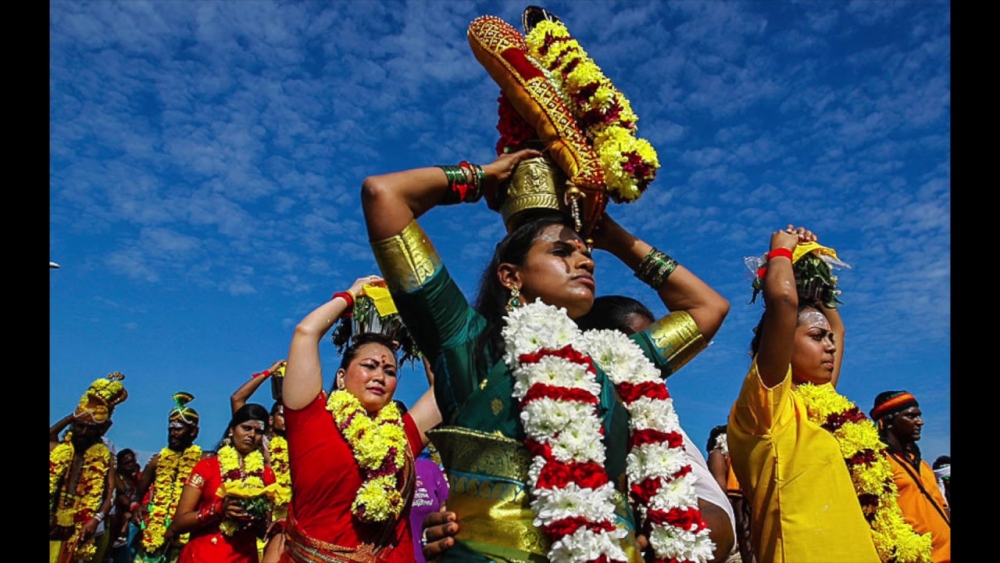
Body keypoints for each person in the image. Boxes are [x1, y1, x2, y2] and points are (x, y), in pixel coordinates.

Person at [361, 152, 729, 562]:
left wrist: (612, 237)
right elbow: (384, 195)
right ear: (511, 276)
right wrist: (481, 179)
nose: (585, 259)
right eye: (561, 252)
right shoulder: (467, 343)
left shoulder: (618, 361)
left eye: (585, 252)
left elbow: (707, 309)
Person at [728, 226, 931, 563]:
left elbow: (839, 328)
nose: (830, 345)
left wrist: (814, 267)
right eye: (816, 336)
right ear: (779, 344)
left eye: (829, 339)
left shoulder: (823, 405)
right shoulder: (768, 408)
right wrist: (781, 251)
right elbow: (782, 301)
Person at [279, 275, 442, 562]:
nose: (380, 376)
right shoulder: (309, 418)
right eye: (369, 366)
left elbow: (444, 388)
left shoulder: (402, 434)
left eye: (390, 372)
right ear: (341, 377)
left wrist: (417, 320)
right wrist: (351, 295)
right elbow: (306, 332)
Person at [168, 403, 276, 563]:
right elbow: (178, 523)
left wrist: (254, 516)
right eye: (246, 428)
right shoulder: (206, 467)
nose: (252, 435)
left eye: (259, 431)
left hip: (243, 558)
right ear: (232, 430)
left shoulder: (266, 475)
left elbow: (263, 531)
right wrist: (218, 509)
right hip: (201, 557)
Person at [50, 372, 128, 563]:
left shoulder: (103, 456)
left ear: (100, 431)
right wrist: (75, 415)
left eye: (90, 428)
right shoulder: (60, 449)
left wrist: (95, 519)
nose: (84, 432)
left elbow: (111, 495)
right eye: (79, 427)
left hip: (81, 526)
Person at [871, 391, 951, 562]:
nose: (920, 422)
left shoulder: (922, 465)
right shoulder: (877, 463)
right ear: (889, 422)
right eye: (911, 416)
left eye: (919, 416)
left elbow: (942, 507)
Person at [229, 360, 291, 563]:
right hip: (255, 525)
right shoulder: (259, 440)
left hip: (286, 529)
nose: (289, 418)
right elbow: (237, 398)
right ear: (271, 420)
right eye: (283, 414)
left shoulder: (298, 445)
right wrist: (269, 372)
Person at [134, 392, 205, 563]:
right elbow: (137, 493)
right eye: (171, 429)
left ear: (194, 432)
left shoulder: (203, 461)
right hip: (154, 533)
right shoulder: (157, 461)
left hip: (185, 536)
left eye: (179, 429)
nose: (173, 433)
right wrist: (137, 507)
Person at [705, 425, 752, 563]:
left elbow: (719, 487)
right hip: (738, 509)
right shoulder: (721, 450)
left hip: (739, 509)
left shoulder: (719, 453)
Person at [108, 448, 142, 563]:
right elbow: (123, 499)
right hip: (118, 520)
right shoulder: (117, 478)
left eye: (132, 461)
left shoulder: (136, 479)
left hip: (132, 520)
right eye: (127, 463)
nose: (131, 465)